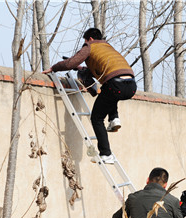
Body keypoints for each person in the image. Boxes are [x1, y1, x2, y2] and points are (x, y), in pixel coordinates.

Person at [42, 28, 137, 164]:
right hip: (131, 85)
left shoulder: (89, 46)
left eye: (85, 40)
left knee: (97, 118)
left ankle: (106, 154)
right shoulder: (108, 47)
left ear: (90, 39)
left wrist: (54, 68)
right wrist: (82, 69)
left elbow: (71, 63)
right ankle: (114, 118)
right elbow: (103, 69)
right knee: (109, 93)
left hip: (115, 85)